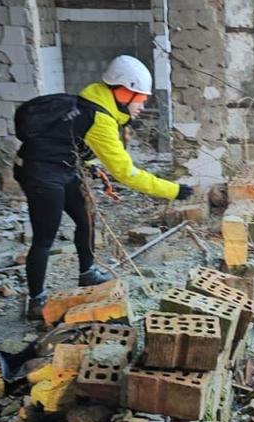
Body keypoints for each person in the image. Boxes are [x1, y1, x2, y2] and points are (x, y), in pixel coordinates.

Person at [13, 55, 193, 320]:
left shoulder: (97, 100)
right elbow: (127, 174)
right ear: (124, 91)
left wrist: (89, 165)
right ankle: (36, 299)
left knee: (85, 218)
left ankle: (87, 273)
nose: (142, 105)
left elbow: (72, 138)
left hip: (64, 168)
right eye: (141, 98)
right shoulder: (101, 118)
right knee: (44, 237)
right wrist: (173, 191)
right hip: (41, 174)